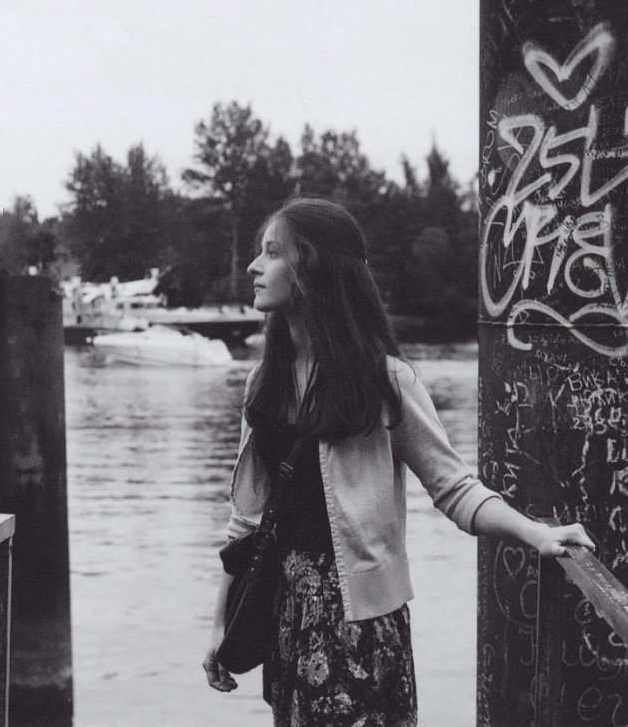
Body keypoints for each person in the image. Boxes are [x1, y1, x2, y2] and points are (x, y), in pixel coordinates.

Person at [202, 197, 594, 726]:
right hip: (286, 617)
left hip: (361, 623)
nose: (254, 266)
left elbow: (453, 486)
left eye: (272, 253)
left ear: (314, 268)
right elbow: (245, 524)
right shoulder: (263, 384)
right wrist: (221, 626)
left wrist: (536, 534)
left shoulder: (384, 381)